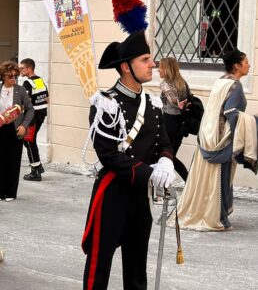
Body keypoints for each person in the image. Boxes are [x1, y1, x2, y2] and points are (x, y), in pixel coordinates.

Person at [82, 31, 176, 290]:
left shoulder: (152, 103)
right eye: (145, 59)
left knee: (136, 267)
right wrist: (149, 173)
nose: (152, 65)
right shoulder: (106, 103)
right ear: (126, 66)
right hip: (112, 194)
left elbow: (164, 143)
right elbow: (109, 154)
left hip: (140, 197)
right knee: (98, 266)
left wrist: (166, 161)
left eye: (151, 59)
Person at [177, 49, 257, 231]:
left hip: (209, 135)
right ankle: (217, 216)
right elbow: (230, 114)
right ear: (237, 65)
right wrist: (252, 121)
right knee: (222, 175)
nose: (249, 65)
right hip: (223, 139)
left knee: (212, 176)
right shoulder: (234, 86)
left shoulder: (221, 82)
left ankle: (206, 211)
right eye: (246, 62)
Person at [0, 61, 34, 201]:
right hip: (0, 128)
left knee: (13, 160)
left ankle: (11, 192)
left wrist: (24, 125)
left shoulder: (20, 90)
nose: (13, 78)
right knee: (0, 160)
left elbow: (30, 109)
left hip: (15, 128)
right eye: (10, 76)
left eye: (15, 76)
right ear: (3, 76)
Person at [158, 57, 189, 181]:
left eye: (160, 67)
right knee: (171, 156)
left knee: (168, 157)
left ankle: (187, 181)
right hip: (180, 124)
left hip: (169, 123)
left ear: (166, 69)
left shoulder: (165, 84)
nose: (158, 71)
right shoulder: (182, 82)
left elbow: (173, 100)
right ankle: (188, 182)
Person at [19, 58, 49, 181]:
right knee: (29, 141)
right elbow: (47, 98)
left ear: (29, 69)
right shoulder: (40, 80)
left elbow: (25, 103)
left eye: (22, 68)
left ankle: (35, 171)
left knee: (29, 141)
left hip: (33, 116)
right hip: (41, 114)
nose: (20, 70)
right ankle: (38, 166)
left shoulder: (27, 84)